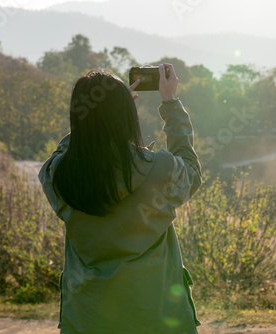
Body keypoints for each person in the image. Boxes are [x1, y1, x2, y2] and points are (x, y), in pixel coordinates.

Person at [38, 64, 202, 333]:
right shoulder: (158, 169)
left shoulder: (58, 175)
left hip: (86, 319)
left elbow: (65, 150)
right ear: (128, 114)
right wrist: (171, 104)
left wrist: (94, 117)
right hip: (157, 317)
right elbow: (192, 172)